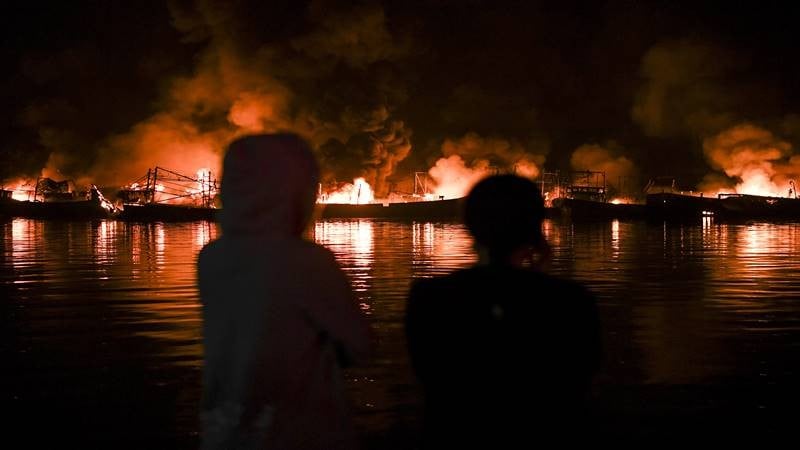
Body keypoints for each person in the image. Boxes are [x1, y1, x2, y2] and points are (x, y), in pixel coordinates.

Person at [198, 133, 370, 449]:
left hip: (228, 432)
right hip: (300, 433)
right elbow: (359, 346)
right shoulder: (308, 262)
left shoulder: (211, 258)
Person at [405, 174, 602, 448]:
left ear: (470, 225)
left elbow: (427, 375)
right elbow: (581, 380)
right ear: (534, 224)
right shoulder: (572, 302)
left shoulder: (430, 298)